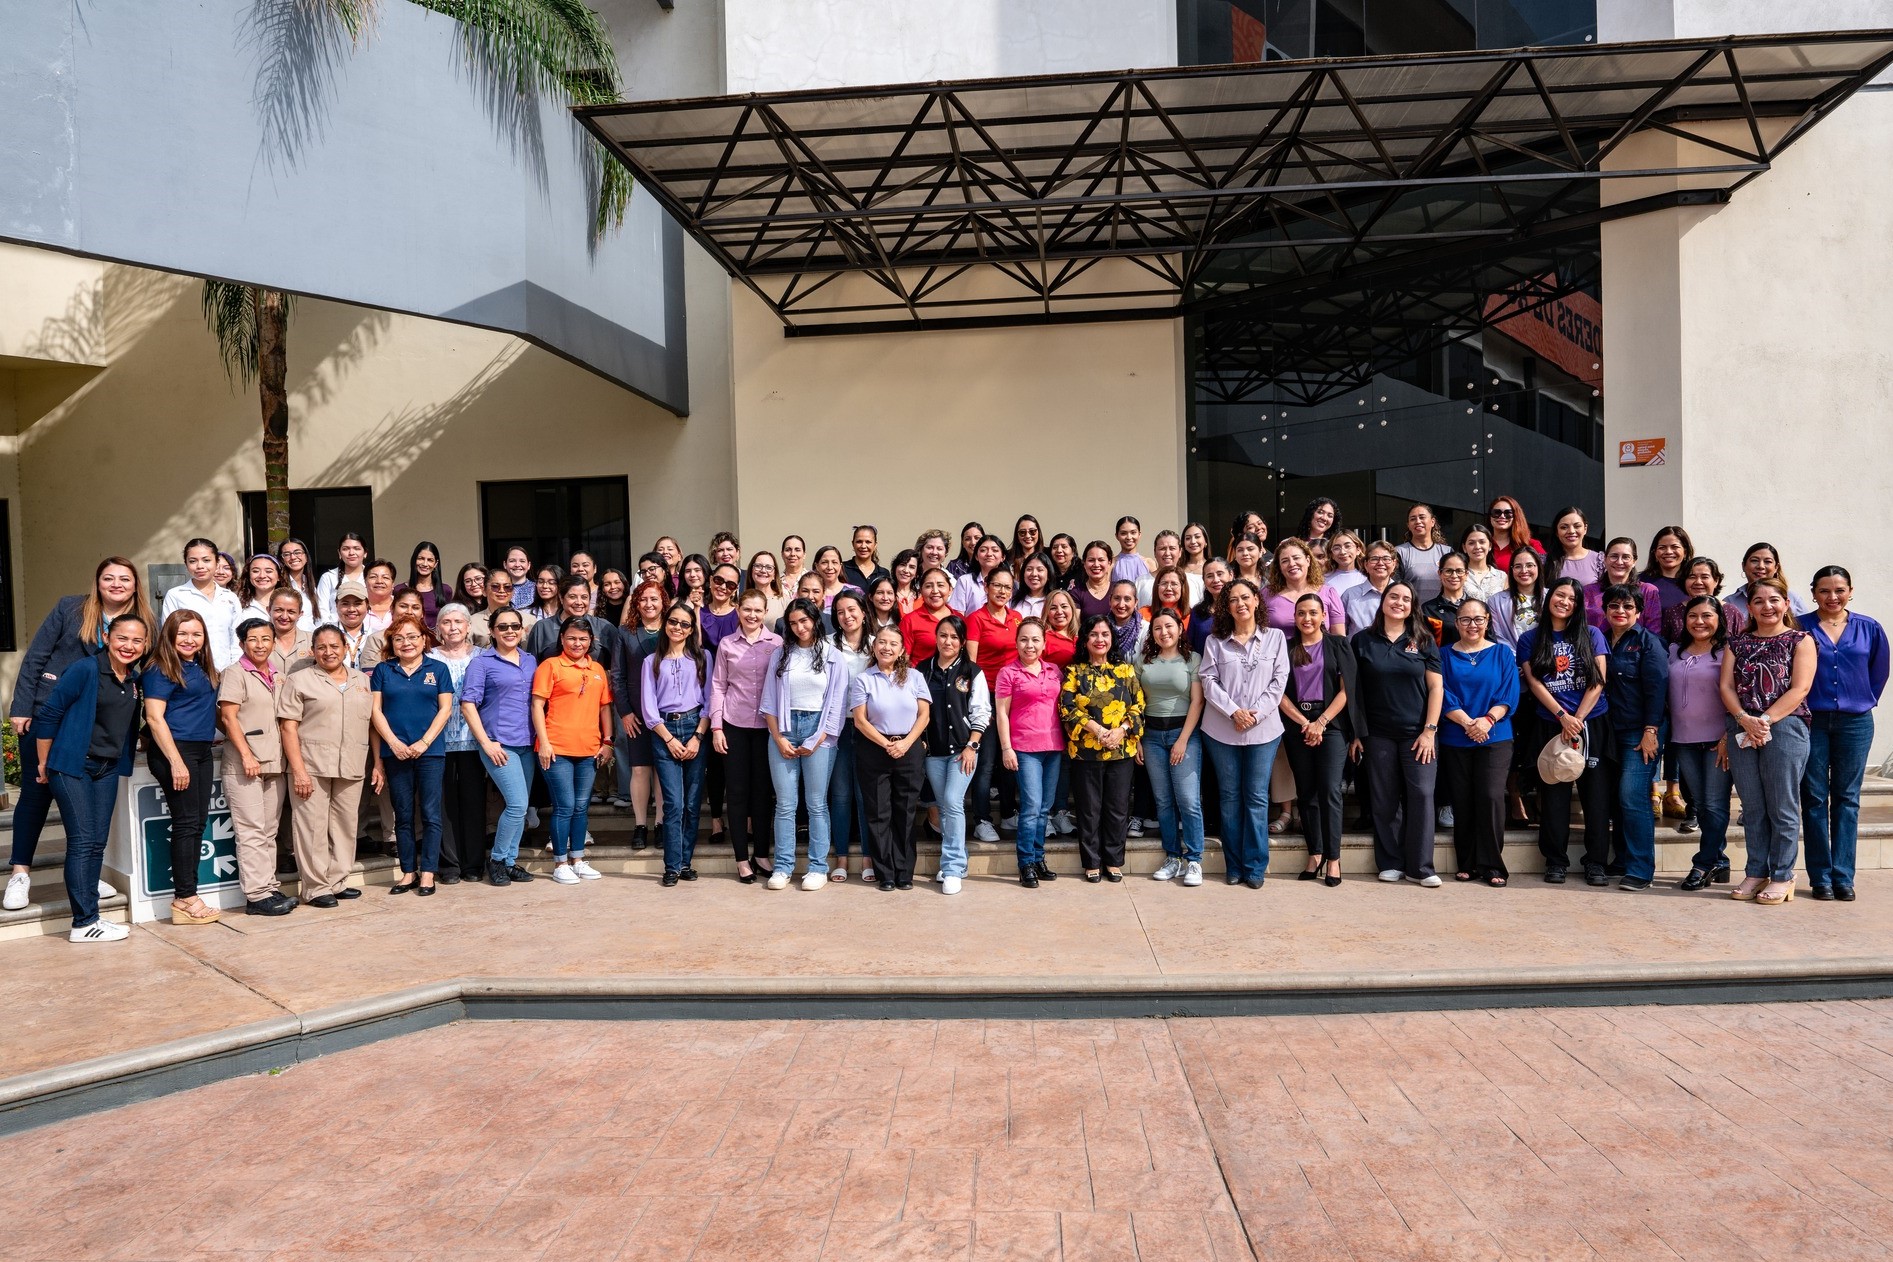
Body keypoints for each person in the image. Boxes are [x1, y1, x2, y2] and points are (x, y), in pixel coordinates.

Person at [4, 557, 152, 912]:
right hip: (48, 713)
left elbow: (145, 673)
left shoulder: (145, 622)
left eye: (125, 579)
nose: (117, 584)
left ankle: (85, 875)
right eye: (109, 577)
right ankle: (20, 873)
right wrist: (21, 706)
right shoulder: (70, 608)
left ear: (135, 586)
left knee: (87, 810)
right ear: (97, 581)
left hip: (99, 725)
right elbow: (36, 657)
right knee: (36, 794)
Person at [34, 612, 151, 941]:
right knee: (82, 842)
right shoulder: (85, 669)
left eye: (137, 640)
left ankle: (92, 917)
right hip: (73, 765)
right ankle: (83, 922)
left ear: (145, 645)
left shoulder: (132, 678)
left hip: (107, 767)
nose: (129, 645)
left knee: (97, 844)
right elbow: (49, 716)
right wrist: (44, 763)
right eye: (122, 638)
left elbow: (122, 724)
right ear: (107, 637)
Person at [1722, 576, 1817, 906]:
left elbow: (1800, 689)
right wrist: (1743, 719)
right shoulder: (1738, 643)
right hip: (1742, 728)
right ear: (1749, 607)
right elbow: (1726, 688)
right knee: (1753, 806)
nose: (1767, 606)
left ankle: (1783, 875)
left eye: (1774, 600)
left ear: (1786, 604)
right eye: (1758, 601)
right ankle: (1756, 870)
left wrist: (1764, 720)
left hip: (1786, 728)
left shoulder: (1800, 640)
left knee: (1782, 805)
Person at [1799, 566, 1888, 901]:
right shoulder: (1801, 627)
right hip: (1812, 721)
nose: (1832, 597)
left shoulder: (1869, 628)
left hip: (1855, 722)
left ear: (1850, 590)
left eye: (1839, 590)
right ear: (1813, 593)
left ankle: (1843, 876)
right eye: (1824, 590)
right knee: (1814, 797)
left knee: (1848, 798)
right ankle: (1820, 877)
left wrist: (1859, 700)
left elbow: (1878, 672)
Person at [1350, 582, 1444, 887]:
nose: (1399, 602)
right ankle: (1390, 861)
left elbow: (1436, 688)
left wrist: (1429, 730)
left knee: (1422, 794)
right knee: (1384, 797)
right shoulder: (1362, 640)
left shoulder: (1424, 639)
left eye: (1406, 598)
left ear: (1412, 605)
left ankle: (1421, 867)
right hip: (1377, 734)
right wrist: (1357, 734)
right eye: (1394, 596)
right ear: (1383, 601)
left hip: (1418, 734)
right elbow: (1354, 692)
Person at [1518, 578, 1611, 885]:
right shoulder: (1531, 638)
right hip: (1550, 723)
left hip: (1591, 722)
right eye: (1560, 595)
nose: (1565, 601)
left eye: (1572, 598)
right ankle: (1555, 861)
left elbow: (1598, 682)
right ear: (1549, 598)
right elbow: (1534, 683)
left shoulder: (1593, 634)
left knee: (1595, 797)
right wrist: (1562, 716)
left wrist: (1577, 719)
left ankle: (1595, 862)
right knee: (1554, 795)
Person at [278, 624, 376, 908]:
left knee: (346, 825)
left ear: (346, 648)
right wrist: (298, 770)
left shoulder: (361, 680)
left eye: (335, 646)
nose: (328, 652)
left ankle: (337, 881)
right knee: (312, 827)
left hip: (352, 763)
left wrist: (378, 763)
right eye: (321, 647)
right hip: (312, 765)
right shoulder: (300, 680)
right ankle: (316, 887)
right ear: (313, 651)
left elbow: (370, 722)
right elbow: (288, 727)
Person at [1200, 579, 1289, 889]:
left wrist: (1255, 714)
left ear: (1256, 601)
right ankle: (1234, 865)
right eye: (1233, 599)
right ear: (1226, 607)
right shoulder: (1216, 641)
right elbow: (1208, 681)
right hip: (1222, 730)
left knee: (1255, 798)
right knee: (1229, 797)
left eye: (1245, 597)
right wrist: (1234, 712)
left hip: (1263, 731)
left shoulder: (1275, 638)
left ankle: (1255, 867)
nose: (1240, 603)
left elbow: (1279, 681)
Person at [760, 599, 850, 892]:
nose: (800, 627)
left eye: (805, 621)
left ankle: (817, 867)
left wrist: (819, 737)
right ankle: (783, 867)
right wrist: (779, 738)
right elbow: (769, 701)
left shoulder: (833, 656)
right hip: (784, 730)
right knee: (785, 805)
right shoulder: (780, 655)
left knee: (816, 804)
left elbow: (837, 703)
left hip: (819, 732)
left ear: (815, 620)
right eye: (794, 622)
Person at [142, 610, 223, 924]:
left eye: (197, 634)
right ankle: (185, 899)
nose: (190, 640)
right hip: (176, 753)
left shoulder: (200, 667)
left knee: (196, 823)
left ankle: (188, 896)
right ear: (170, 636)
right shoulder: (160, 669)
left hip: (200, 750)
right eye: (183, 634)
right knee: (187, 824)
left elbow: (202, 709)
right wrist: (176, 762)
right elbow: (154, 717)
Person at [370, 615, 453, 896]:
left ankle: (428, 873)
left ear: (424, 639)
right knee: (402, 814)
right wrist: (393, 743)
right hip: (396, 753)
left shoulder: (438, 669)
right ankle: (408, 872)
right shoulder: (383, 670)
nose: (406, 643)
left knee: (430, 814)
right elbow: (375, 711)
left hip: (430, 752)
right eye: (399, 638)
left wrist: (424, 742)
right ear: (392, 643)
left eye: (412, 636)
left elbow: (446, 709)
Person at [1058, 614, 1145, 883]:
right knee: (1089, 808)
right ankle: (1092, 861)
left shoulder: (1126, 671)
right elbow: (1066, 708)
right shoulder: (1075, 672)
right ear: (1085, 640)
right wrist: (1096, 729)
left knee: (1117, 808)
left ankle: (1113, 860)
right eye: (1093, 634)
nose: (1100, 639)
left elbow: (1139, 705)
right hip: (1086, 750)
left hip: (1121, 750)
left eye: (1105, 634)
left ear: (1112, 638)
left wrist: (1121, 730)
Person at [1278, 594, 1357, 887]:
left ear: (1324, 615)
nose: (1307, 619)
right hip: (1298, 726)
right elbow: (1279, 693)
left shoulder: (1338, 645)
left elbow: (1347, 689)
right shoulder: (1287, 648)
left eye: (1313, 613)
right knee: (1307, 792)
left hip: (1332, 725)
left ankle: (1334, 858)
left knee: (1330, 790)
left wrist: (1321, 723)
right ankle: (1316, 852)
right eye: (1301, 613)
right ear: (1295, 618)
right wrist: (1305, 723)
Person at [218, 619, 295, 915]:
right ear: (241, 644)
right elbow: (228, 718)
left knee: (268, 830)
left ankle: (269, 886)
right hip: (244, 765)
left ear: (274, 643)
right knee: (250, 830)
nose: (260, 644)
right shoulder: (235, 674)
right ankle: (256, 895)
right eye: (253, 639)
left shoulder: (279, 676)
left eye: (266, 639)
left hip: (274, 762)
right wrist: (247, 755)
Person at [1439, 599, 1517, 886]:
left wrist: (1486, 721)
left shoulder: (1502, 654)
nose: (1472, 625)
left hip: (1495, 736)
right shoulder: (1444, 655)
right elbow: (1443, 693)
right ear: (1456, 623)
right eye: (1465, 619)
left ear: (1488, 621)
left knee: (1491, 797)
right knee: (1463, 800)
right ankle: (1468, 863)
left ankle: (1493, 865)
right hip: (1456, 736)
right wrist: (1467, 723)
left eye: (1478, 619)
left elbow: (1508, 694)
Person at [532, 617, 614, 885]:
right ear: (562, 639)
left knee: (581, 807)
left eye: (583, 638)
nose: (577, 643)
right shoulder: (550, 665)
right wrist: (543, 742)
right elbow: (536, 706)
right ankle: (560, 862)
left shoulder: (598, 670)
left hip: (589, 748)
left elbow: (604, 708)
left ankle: (577, 859)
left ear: (591, 641)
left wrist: (608, 741)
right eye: (571, 638)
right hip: (557, 748)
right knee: (564, 806)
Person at [850, 625, 932, 891]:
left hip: (909, 749)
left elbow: (924, 715)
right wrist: (887, 744)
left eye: (893, 643)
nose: (886, 647)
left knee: (906, 812)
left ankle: (904, 872)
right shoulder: (864, 679)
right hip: (875, 750)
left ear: (901, 650)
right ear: (874, 647)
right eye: (881, 642)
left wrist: (906, 743)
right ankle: (885, 872)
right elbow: (861, 721)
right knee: (878, 813)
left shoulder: (915, 677)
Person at [460, 609, 538, 887]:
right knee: (517, 805)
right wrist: (486, 743)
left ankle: (509, 861)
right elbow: (468, 705)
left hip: (527, 744)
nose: (509, 631)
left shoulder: (530, 661)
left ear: (522, 630)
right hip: (498, 744)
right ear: (491, 630)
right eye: (502, 626)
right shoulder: (482, 663)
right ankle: (495, 860)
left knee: (521, 805)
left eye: (515, 626)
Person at [711, 589, 783, 883]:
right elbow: (718, 686)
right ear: (738, 610)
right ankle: (742, 858)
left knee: (763, 794)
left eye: (757, 610)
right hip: (735, 725)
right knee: (738, 793)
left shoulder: (777, 643)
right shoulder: (727, 644)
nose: (752, 615)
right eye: (747, 610)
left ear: (765, 612)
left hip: (768, 728)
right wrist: (716, 726)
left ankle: (762, 854)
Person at [1601, 585, 1669, 890]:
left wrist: (1651, 731)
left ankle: (1642, 869)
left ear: (1639, 612)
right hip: (1608, 729)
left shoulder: (1648, 643)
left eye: (1628, 607)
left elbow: (1658, 690)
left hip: (1640, 731)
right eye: (1614, 606)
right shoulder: (1599, 639)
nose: (1620, 611)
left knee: (1632, 795)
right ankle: (1624, 858)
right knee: (1617, 797)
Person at [918, 615, 989, 896]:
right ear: (936, 638)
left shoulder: (973, 672)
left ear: (962, 642)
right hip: (933, 752)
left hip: (963, 752)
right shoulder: (922, 670)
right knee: (944, 807)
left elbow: (981, 711)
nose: (948, 641)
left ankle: (951, 867)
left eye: (954, 637)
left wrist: (972, 745)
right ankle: (958, 863)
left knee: (951, 802)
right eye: (943, 635)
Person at [642, 602, 712, 885]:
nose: (678, 628)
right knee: (673, 803)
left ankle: (685, 862)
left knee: (693, 803)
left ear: (691, 628)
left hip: (695, 727)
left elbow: (710, 701)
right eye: (673, 622)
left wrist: (697, 736)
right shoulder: (652, 661)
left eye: (685, 624)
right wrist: (669, 739)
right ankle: (670, 866)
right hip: (664, 730)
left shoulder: (703, 657)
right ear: (665, 624)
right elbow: (648, 708)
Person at [1137, 609, 1206, 886]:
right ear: (1151, 633)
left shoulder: (1193, 659)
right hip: (1152, 736)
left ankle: (1194, 860)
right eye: (1157, 628)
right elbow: (1137, 702)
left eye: (1169, 627)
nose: (1163, 632)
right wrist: (1139, 739)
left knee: (1188, 800)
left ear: (1179, 628)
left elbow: (1197, 702)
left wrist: (1182, 740)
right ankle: (1173, 857)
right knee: (1163, 801)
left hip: (1183, 734)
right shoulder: (1142, 661)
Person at [1670, 596, 1734, 891]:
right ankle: (1719, 860)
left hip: (1717, 740)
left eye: (1707, 615)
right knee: (1701, 805)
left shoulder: (1727, 652)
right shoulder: (1674, 651)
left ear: (1719, 618)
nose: (1699, 621)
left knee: (1714, 804)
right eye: (1693, 615)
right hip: (1683, 739)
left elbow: (1737, 696)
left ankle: (1703, 863)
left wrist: (1726, 737)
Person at [996, 619, 1064, 887]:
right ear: (1016, 643)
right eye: (1024, 639)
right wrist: (1006, 747)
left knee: (1045, 809)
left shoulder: (1054, 671)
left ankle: (1038, 858)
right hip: (1024, 748)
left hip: (1054, 746)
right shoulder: (1008, 672)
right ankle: (1025, 863)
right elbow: (1001, 712)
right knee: (1032, 807)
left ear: (1044, 644)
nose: (1030, 645)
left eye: (1035, 639)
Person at [610, 579, 668, 844]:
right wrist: (624, 712)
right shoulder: (625, 632)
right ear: (636, 603)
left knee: (663, 770)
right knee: (641, 769)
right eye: (643, 599)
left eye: (654, 599)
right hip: (637, 713)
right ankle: (640, 825)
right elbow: (618, 676)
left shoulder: (673, 628)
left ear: (663, 601)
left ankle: (661, 824)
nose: (649, 604)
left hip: (668, 710)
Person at [430, 604, 485, 884]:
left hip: (474, 743)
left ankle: (473, 864)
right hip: (438, 743)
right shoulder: (428, 658)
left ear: (468, 627)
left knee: (474, 805)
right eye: (446, 622)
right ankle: (449, 866)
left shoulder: (483, 656)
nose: (452, 627)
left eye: (458, 622)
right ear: (438, 628)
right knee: (444, 807)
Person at [966, 567, 1022, 843]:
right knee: (986, 760)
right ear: (986, 587)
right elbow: (971, 664)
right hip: (987, 693)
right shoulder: (976, 618)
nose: (1002, 591)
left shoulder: (1017, 618)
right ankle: (982, 819)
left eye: (1007, 587)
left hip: (1014, 695)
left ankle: (1010, 813)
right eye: (997, 586)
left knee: (1009, 757)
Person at [825, 591, 874, 882]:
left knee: (865, 795)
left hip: (869, 728)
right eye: (841, 612)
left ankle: (868, 856)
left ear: (863, 612)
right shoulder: (828, 645)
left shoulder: (875, 644)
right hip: (838, 727)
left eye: (852, 609)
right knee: (841, 795)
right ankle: (841, 856)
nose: (847, 616)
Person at [162, 538, 245, 669]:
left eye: (206, 560)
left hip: (226, 670)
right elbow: (169, 635)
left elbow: (236, 636)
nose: (200, 566)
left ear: (217, 562)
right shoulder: (176, 595)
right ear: (186, 564)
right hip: (189, 670)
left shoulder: (230, 597)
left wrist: (234, 667)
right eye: (193, 561)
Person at [525, 575, 615, 665]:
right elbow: (531, 666)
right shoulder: (542, 628)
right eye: (572, 597)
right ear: (561, 598)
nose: (579, 602)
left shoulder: (603, 627)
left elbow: (618, 667)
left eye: (584, 597)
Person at [1583, 538, 1662, 633]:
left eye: (1626, 557)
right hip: (1595, 646)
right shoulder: (1588, 592)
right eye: (1614, 556)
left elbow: (1653, 632)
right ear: (1605, 559)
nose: (1619, 562)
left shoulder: (1647, 591)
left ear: (1634, 561)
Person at [1266, 538, 1344, 635]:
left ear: (1308, 560)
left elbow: (1339, 639)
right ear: (1279, 567)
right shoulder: (1266, 594)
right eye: (1285, 561)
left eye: (1296, 558)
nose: (1292, 564)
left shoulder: (1328, 593)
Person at [1730, 542, 1816, 617]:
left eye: (1767, 561)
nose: (1761, 566)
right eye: (1754, 560)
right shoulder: (1730, 602)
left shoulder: (1793, 598)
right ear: (1743, 566)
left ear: (1776, 567)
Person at [1488, 546, 1542, 649]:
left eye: (1529, 565)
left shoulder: (1550, 596)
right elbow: (1499, 637)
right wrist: (1519, 661)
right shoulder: (1495, 601)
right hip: (1512, 661)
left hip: (1545, 661)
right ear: (1512, 570)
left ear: (1538, 567)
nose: (1524, 570)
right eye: (1518, 566)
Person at [1395, 504, 1450, 605]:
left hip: (1442, 614)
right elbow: (1395, 588)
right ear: (1408, 525)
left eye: (1422, 517)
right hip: (1413, 615)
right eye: (1413, 519)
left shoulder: (1447, 552)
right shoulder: (1400, 552)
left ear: (1432, 522)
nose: (1418, 521)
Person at [900, 567, 955, 664]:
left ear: (950, 589)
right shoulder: (910, 620)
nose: (935, 591)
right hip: (921, 677)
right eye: (928, 586)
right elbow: (903, 660)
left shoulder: (960, 619)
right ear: (921, 591)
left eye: (940, 585)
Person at [1343, 541, 1398, 636]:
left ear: (1394, 564)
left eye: (1386, 559)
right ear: (1365, 564)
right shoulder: (1350, 595)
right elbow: (1341, 631)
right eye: (1374, 559)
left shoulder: (1404, 594)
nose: (1380, 563)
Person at [315, 532, 368, 623]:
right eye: (346, 549)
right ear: (339, 553)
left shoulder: (372, 577)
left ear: (365, 553)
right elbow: (321, 611)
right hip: (334, 631)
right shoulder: (328, 577)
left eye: (357, 548)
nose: (351, 553)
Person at [470, 572, 535, 646]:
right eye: (495, 586)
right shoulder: (472, 622)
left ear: (513, 591)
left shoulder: (529, 620)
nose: (501, 590)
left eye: (507, 587)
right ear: (484, 591)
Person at [1421, 552, 1471, 648]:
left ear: (1466, 574)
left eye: (1459, 571)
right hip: (1442, 661)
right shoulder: (1428, 610)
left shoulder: (1478, 607)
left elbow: (1489, 642)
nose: (1454, 575)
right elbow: (1424, 646)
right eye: (1448, 571)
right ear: (1440, 573)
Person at [950, 535, 1008, 616]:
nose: (989, 554)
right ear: (976, 556)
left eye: (995, 550)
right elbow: (957, 616)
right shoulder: (965, 581)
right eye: (983, 550)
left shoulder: (1011, 584)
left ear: (1003, 557)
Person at [1486, 496, 1542, 573]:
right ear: (1490, 516)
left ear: (1516, 516)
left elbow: (1546, 571)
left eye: (1508, 513)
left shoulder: (1530, 544)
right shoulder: (1481, 545)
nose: (1502, 516)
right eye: (1496, 512)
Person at [1551, 507, 1604, 587]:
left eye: (1577, 526)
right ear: (1556, 532)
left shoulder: (1599, 561)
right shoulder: (1545, 562)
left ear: (1585, 529)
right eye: (1564, 527)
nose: (1571, 531)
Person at [265, 588, 312, 675]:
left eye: (291, 612)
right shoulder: (259, 643)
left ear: (300, 614)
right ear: (269, 610)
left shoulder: (313, 641)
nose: (284, 616)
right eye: (279, 610)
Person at [276, 538, 320, 631]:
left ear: (306, 556)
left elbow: (316, 618)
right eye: (287, 554)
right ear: (282, 559)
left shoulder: (310, 586)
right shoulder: (278, 586)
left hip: (311, 639)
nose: (293, 557)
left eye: (297, 552)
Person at [1188, 560, 1229, 654]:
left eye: (1220, 574)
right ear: (1204, 581)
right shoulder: (1197, 612)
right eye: (1210, 576)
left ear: (1231, 575)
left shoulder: (1240, 608)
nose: (1216, 580)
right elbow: (1190, 646)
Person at [405, 541, 451, 625]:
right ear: (414, 560)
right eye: (421, 559)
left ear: (435, 564)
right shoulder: (400, 590)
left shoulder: (445, 590)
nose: (425, 564)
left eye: (430, 560)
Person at [1459, 524, 1506, 602]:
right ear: (1464, 548)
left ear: (1490, 545)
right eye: (1471, 543)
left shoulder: (1502, 576)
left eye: (1482, 542)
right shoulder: (1458, 575)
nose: (1477, 547)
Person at [841, 525, 891, 593]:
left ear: (875, 545)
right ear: (853, 544)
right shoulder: (842, 569)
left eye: (868, 542)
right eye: (859, 542)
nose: (863, 546)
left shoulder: (883, 573)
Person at [1073, 540, 1116, 620]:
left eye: (1101, 560)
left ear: (1109, 563)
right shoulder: (1076, 593)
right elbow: (1076, 627)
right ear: (1084, 564)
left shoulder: (1118, 590)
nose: (1096, 564)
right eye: (1091, 560)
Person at [236, 553, 283, 625]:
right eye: (255, 571)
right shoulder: (238, 604)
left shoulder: (290, 602)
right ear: (249, 575)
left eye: (268, 571)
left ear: (279, 576)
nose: (262, 576)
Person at [1106, 579, 1146, 659]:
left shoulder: (1145, 630)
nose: (1121, 605)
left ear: (1135, 602)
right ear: (1110, 600)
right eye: (1117, 598)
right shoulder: (1101, 627)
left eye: (1127, 599)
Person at [745, 550, 787, 626]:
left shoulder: (785, 603)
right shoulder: (742, 601)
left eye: (769, 567)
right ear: (751, 571)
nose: (763, 570)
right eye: (758, 566)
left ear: (774, 574)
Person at [1111, 516, 1153, 586]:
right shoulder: (1112, 563)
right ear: (1117, 536)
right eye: (1123, 533)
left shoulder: (1149, 563)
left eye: (1133, 532)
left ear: (1139, 534)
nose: (1129, 537)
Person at [1323, 531, 1367, 598]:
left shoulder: (1367, 578)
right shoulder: (1324, 580)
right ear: (1331, 555)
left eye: (1348, 546)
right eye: (1337, 548)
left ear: (1358, 550)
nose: (1342, 552)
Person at [361, 559, 399, 636]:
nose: (379, 581)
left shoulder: (402, 605)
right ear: (365, 582)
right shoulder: (357, 607)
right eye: (373, 577)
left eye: (385, 577)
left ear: (392, 584)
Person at [1013, 553, 1054, 618]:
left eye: (1040, 570)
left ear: (1048, 574)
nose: (1034, 574)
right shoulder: (1012, 600)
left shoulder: (1053, 601)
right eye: (1029, 569)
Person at [501, 546, 535, 611]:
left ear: (529, 565)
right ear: (505, 564)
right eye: (512, 561)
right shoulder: (498, 589)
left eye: (522, 561)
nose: (517, 565)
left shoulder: (537, 588)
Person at [891, 549, 922, 616]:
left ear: (917, 573)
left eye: (912, 567)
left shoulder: (922, 598)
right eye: (902, 564)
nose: (906, 570)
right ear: (895, 568)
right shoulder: (887, 595)